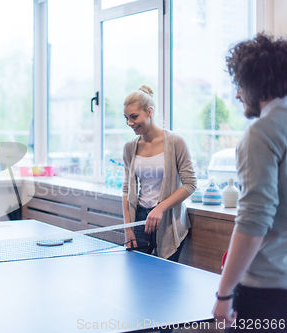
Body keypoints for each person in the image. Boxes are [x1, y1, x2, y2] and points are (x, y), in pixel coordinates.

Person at [213, 33, 287, 331]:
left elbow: (255, 219)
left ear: (254, 83)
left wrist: (224, 293)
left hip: (267, 292)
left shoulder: (262, 133)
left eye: (238, 85)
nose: (237, 94)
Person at [122, 85, 197, 262]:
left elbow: (190, 184)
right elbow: (126, 190)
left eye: (134, 117)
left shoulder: (175, 142)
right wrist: (128, 227)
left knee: (164, 279)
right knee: (136, 276)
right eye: (126, 118)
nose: (130, 123)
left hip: (169, 219)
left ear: (149, 111)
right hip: (139, 219)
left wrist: (160, 208)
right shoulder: (129, 147)